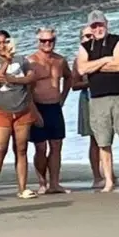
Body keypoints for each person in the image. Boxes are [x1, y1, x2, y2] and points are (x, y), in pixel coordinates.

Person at [76, 10, 119, 192]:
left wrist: (96, 65)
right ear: (90, 28)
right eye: (94, 26)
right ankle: (108, 181)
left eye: (100, 24)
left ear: (106, 24)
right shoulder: (85, 47)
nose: (98, 28)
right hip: (97, 99)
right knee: (103, 143)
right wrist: (106, 60)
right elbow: (82, 69)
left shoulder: (118, 40)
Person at [0, 30, 38, 201]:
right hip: (0, 111)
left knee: (21, 149)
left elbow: (31, 78)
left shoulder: (22, 60)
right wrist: (5, 63)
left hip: (22, 110)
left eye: (5, 41)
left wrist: (14, 80)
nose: (2, 45)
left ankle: (23, 188)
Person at [28, 27, 71, 194]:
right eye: (43, 41)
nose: (47, 44)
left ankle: (55, 183)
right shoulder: (31, 61)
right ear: (38, 42)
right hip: (38, 106)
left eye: (50, 40)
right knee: (40, 148)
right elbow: (27, 89)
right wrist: (33, 111)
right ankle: (42, 182)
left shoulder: (60, 60)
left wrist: (63, 97)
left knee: (56, 145)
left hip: (55, 107)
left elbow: (69, 77)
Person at [72, 26, 102, 187]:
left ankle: (109, 174)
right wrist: (92, 82)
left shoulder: (103, 54)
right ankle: (97, 176)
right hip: (88, 98)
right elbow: (74, 84)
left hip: (106, 97)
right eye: (86, 36)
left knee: (107, 138)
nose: (90, 39)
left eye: (92, 36)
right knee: (95, 139)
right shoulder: (79, 60)